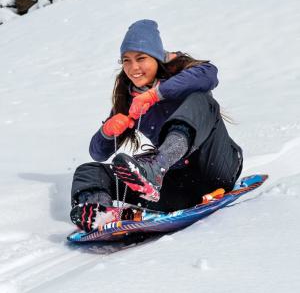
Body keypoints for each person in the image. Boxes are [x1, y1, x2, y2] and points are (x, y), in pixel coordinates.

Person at [70, 19, 243, 232]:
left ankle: (156, 166)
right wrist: (107, 132)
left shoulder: (182, 76)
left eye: (141, 58)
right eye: (126, 60)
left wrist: (156, 95)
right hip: (178, 186)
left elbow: (210, 74)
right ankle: (100, 213)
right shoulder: (130, 100)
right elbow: (97, 153)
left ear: (157, 57)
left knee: (201, 100)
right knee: (89, 170)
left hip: (216, 168)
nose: (133, 68)